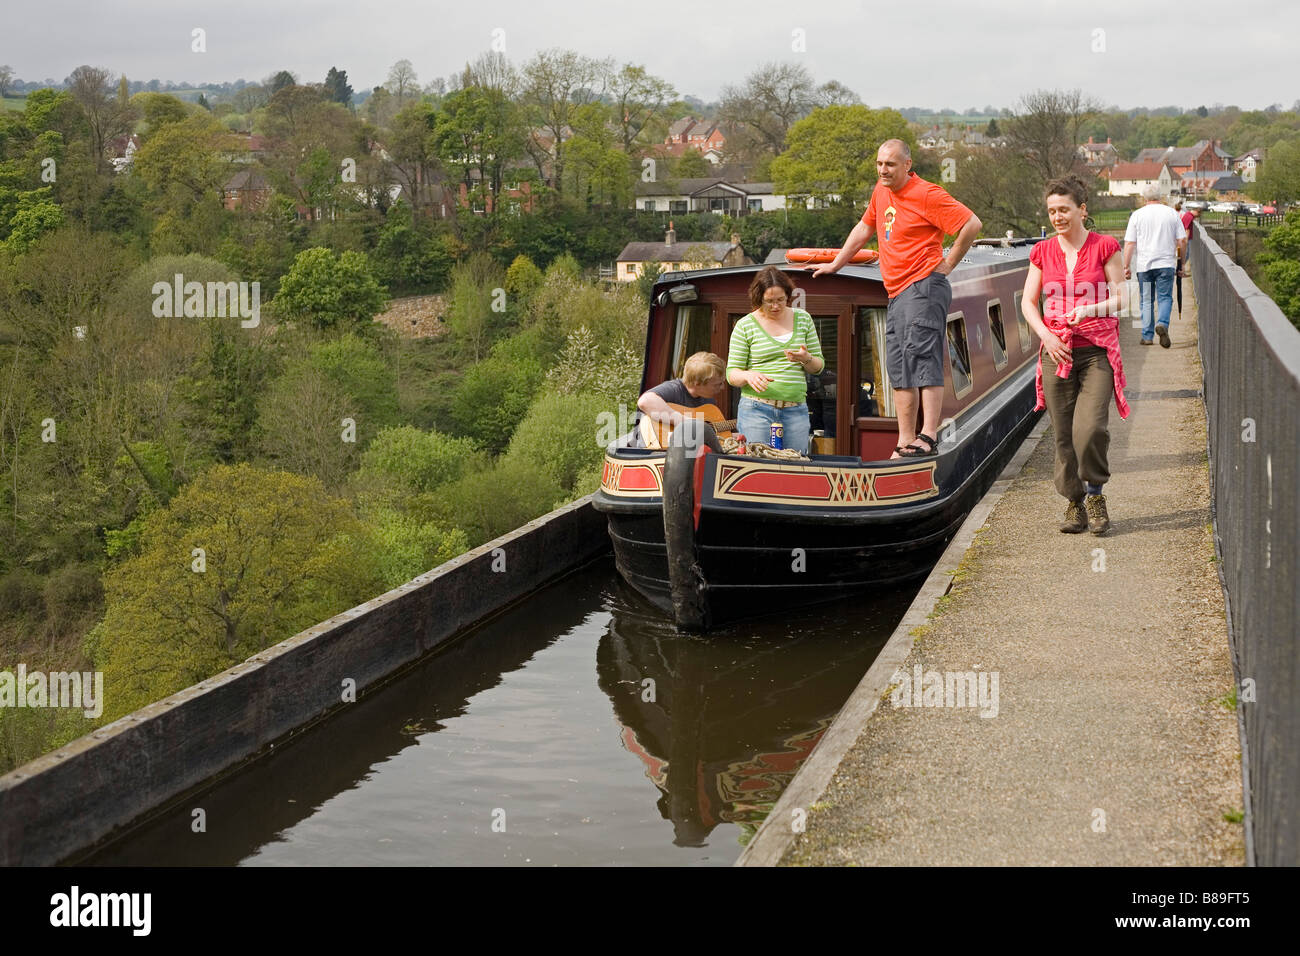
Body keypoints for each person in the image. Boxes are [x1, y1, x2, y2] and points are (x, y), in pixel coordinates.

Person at [812, 138, 982, 457]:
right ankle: (905, 439)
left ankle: (928, 434)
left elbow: (971, 224)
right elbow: (864, 228)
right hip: (897, 291)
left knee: (922, 358)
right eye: (879, 164)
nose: (882, 169)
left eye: (889, 164)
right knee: (900, 366)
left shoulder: (927, 194)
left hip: (923, 286)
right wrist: (837, 263)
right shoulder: (881, 191)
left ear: (907, 164)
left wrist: (948, 264)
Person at [1022, 174, 1129, 536]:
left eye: (1064, 209)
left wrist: (1089, 311)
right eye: (1052, 211)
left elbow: (1123, 298)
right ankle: (1074, 503)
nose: (1057, 217)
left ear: (1082, 210)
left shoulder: (1105, 247)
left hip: (1096, 351)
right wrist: (1046, 337)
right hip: (1056, 353)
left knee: (1091, 428)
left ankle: (1096, 493)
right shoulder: (1042, 252)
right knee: (1064, 434)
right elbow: (1027, 302)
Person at [726, 266, 824, 454]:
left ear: (788, 295)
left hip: (796, 410)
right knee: (758, 469)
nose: (776, 306)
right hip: (756, 410)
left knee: (796, 468)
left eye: (780, 299)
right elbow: (732, 374)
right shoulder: (745, 325)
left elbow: (818, 367)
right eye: (769, 301)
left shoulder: (803, 319)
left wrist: (806, 358)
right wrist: (748, 375)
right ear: (758, 299)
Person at [1123, 185, 1186, 348]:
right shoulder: (1172, 213)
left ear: (1144, 198)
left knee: (1146, 300)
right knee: (1165, 297)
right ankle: (1163, 324)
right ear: (1160, 196)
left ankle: (1147, 336)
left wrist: (1126, 266)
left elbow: (1130, 243)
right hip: (1166, 263)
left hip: (1144, 264)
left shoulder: (1137, 215)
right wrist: (1182, 262)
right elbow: (1182, 241)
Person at [634, 351, 726, 447]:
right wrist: (685, 422)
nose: (722, 387)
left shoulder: (709, 402)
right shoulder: (674, 389)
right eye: (717, 384)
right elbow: (645, 401)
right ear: (697, 383)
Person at [1178, 205, 1201, 277]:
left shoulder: (1187, 214)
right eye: (1198, 214)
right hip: (1185, 238)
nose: (1198, 216)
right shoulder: (1189, 217)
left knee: (1147, 283)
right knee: (1185, 255)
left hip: (1147, 268)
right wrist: (1186, 239)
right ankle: (1181, 271)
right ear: (1196, 212)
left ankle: (1180, 270)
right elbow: (1187, 229)